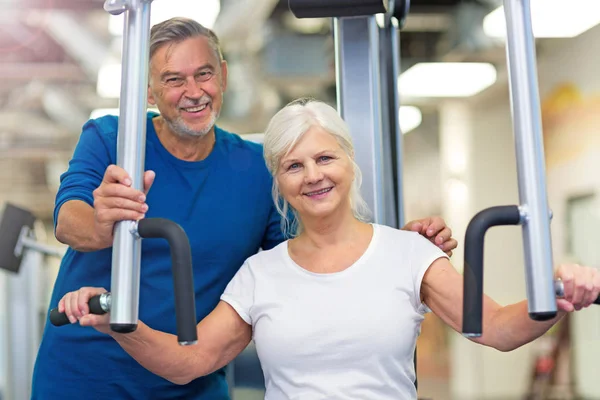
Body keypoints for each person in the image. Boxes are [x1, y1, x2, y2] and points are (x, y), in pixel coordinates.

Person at [31, 18, 457, 400]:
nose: (194, 92)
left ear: (224, 75)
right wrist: (103, 222)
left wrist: (397, 249)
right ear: (149, 91)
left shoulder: (255, 168)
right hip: (87, 374)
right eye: (174, 79)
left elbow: (318, 257)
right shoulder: (112, 138)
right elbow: (69, 222)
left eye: (204, 74)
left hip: (194, 376)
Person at [62, 98, 600, 400]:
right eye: (294, 166)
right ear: (279, 181)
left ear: (349, 162)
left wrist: (554, 293)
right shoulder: (260, 273)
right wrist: (118, 322)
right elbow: (189, 361)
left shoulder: (408, 253)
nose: (313, 176)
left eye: (325, 159)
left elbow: (499, 328)